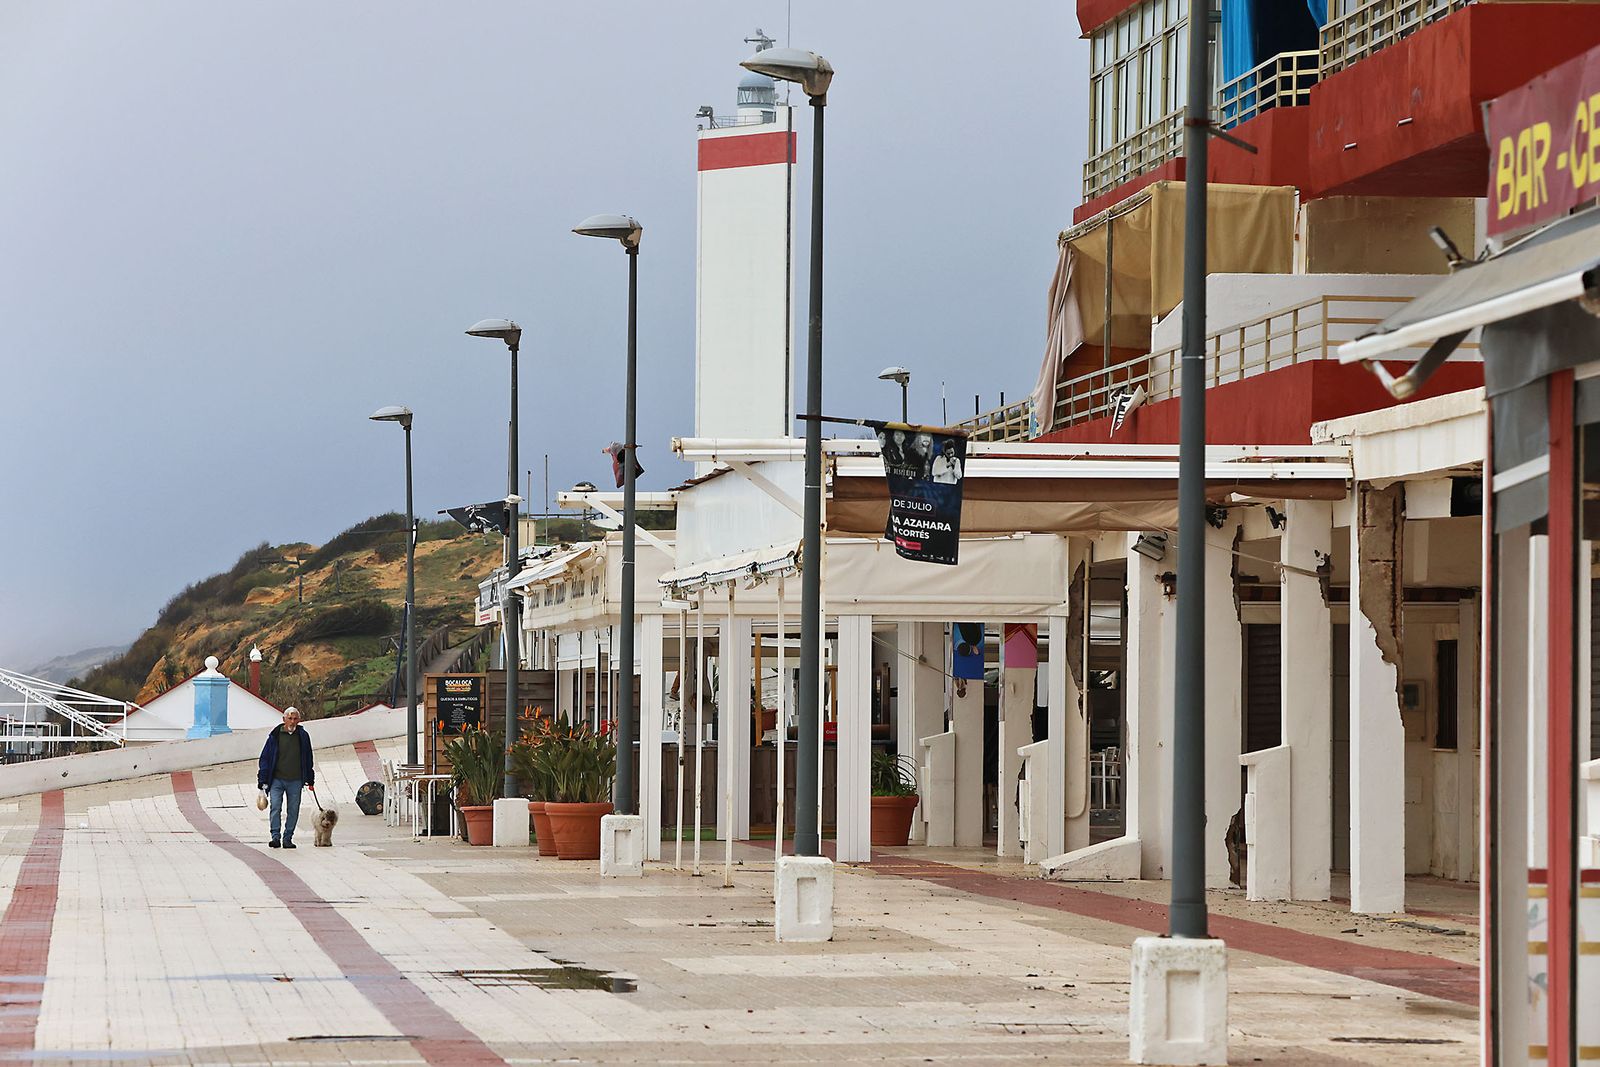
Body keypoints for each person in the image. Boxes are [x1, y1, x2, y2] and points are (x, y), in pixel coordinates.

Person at [257, 706, 314, 849]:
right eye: (289, 718)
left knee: (293, 810)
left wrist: (310, 778)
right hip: (277, 779)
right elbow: (265, 758)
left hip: (296, 780)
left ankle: (288, 837)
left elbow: (308, 757)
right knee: (275, 807)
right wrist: (262, 781)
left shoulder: (303, 736)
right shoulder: (275, 736)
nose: (292, 721)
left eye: (295, 719)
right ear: (284, 719)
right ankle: (275, 837)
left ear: (299, 720)